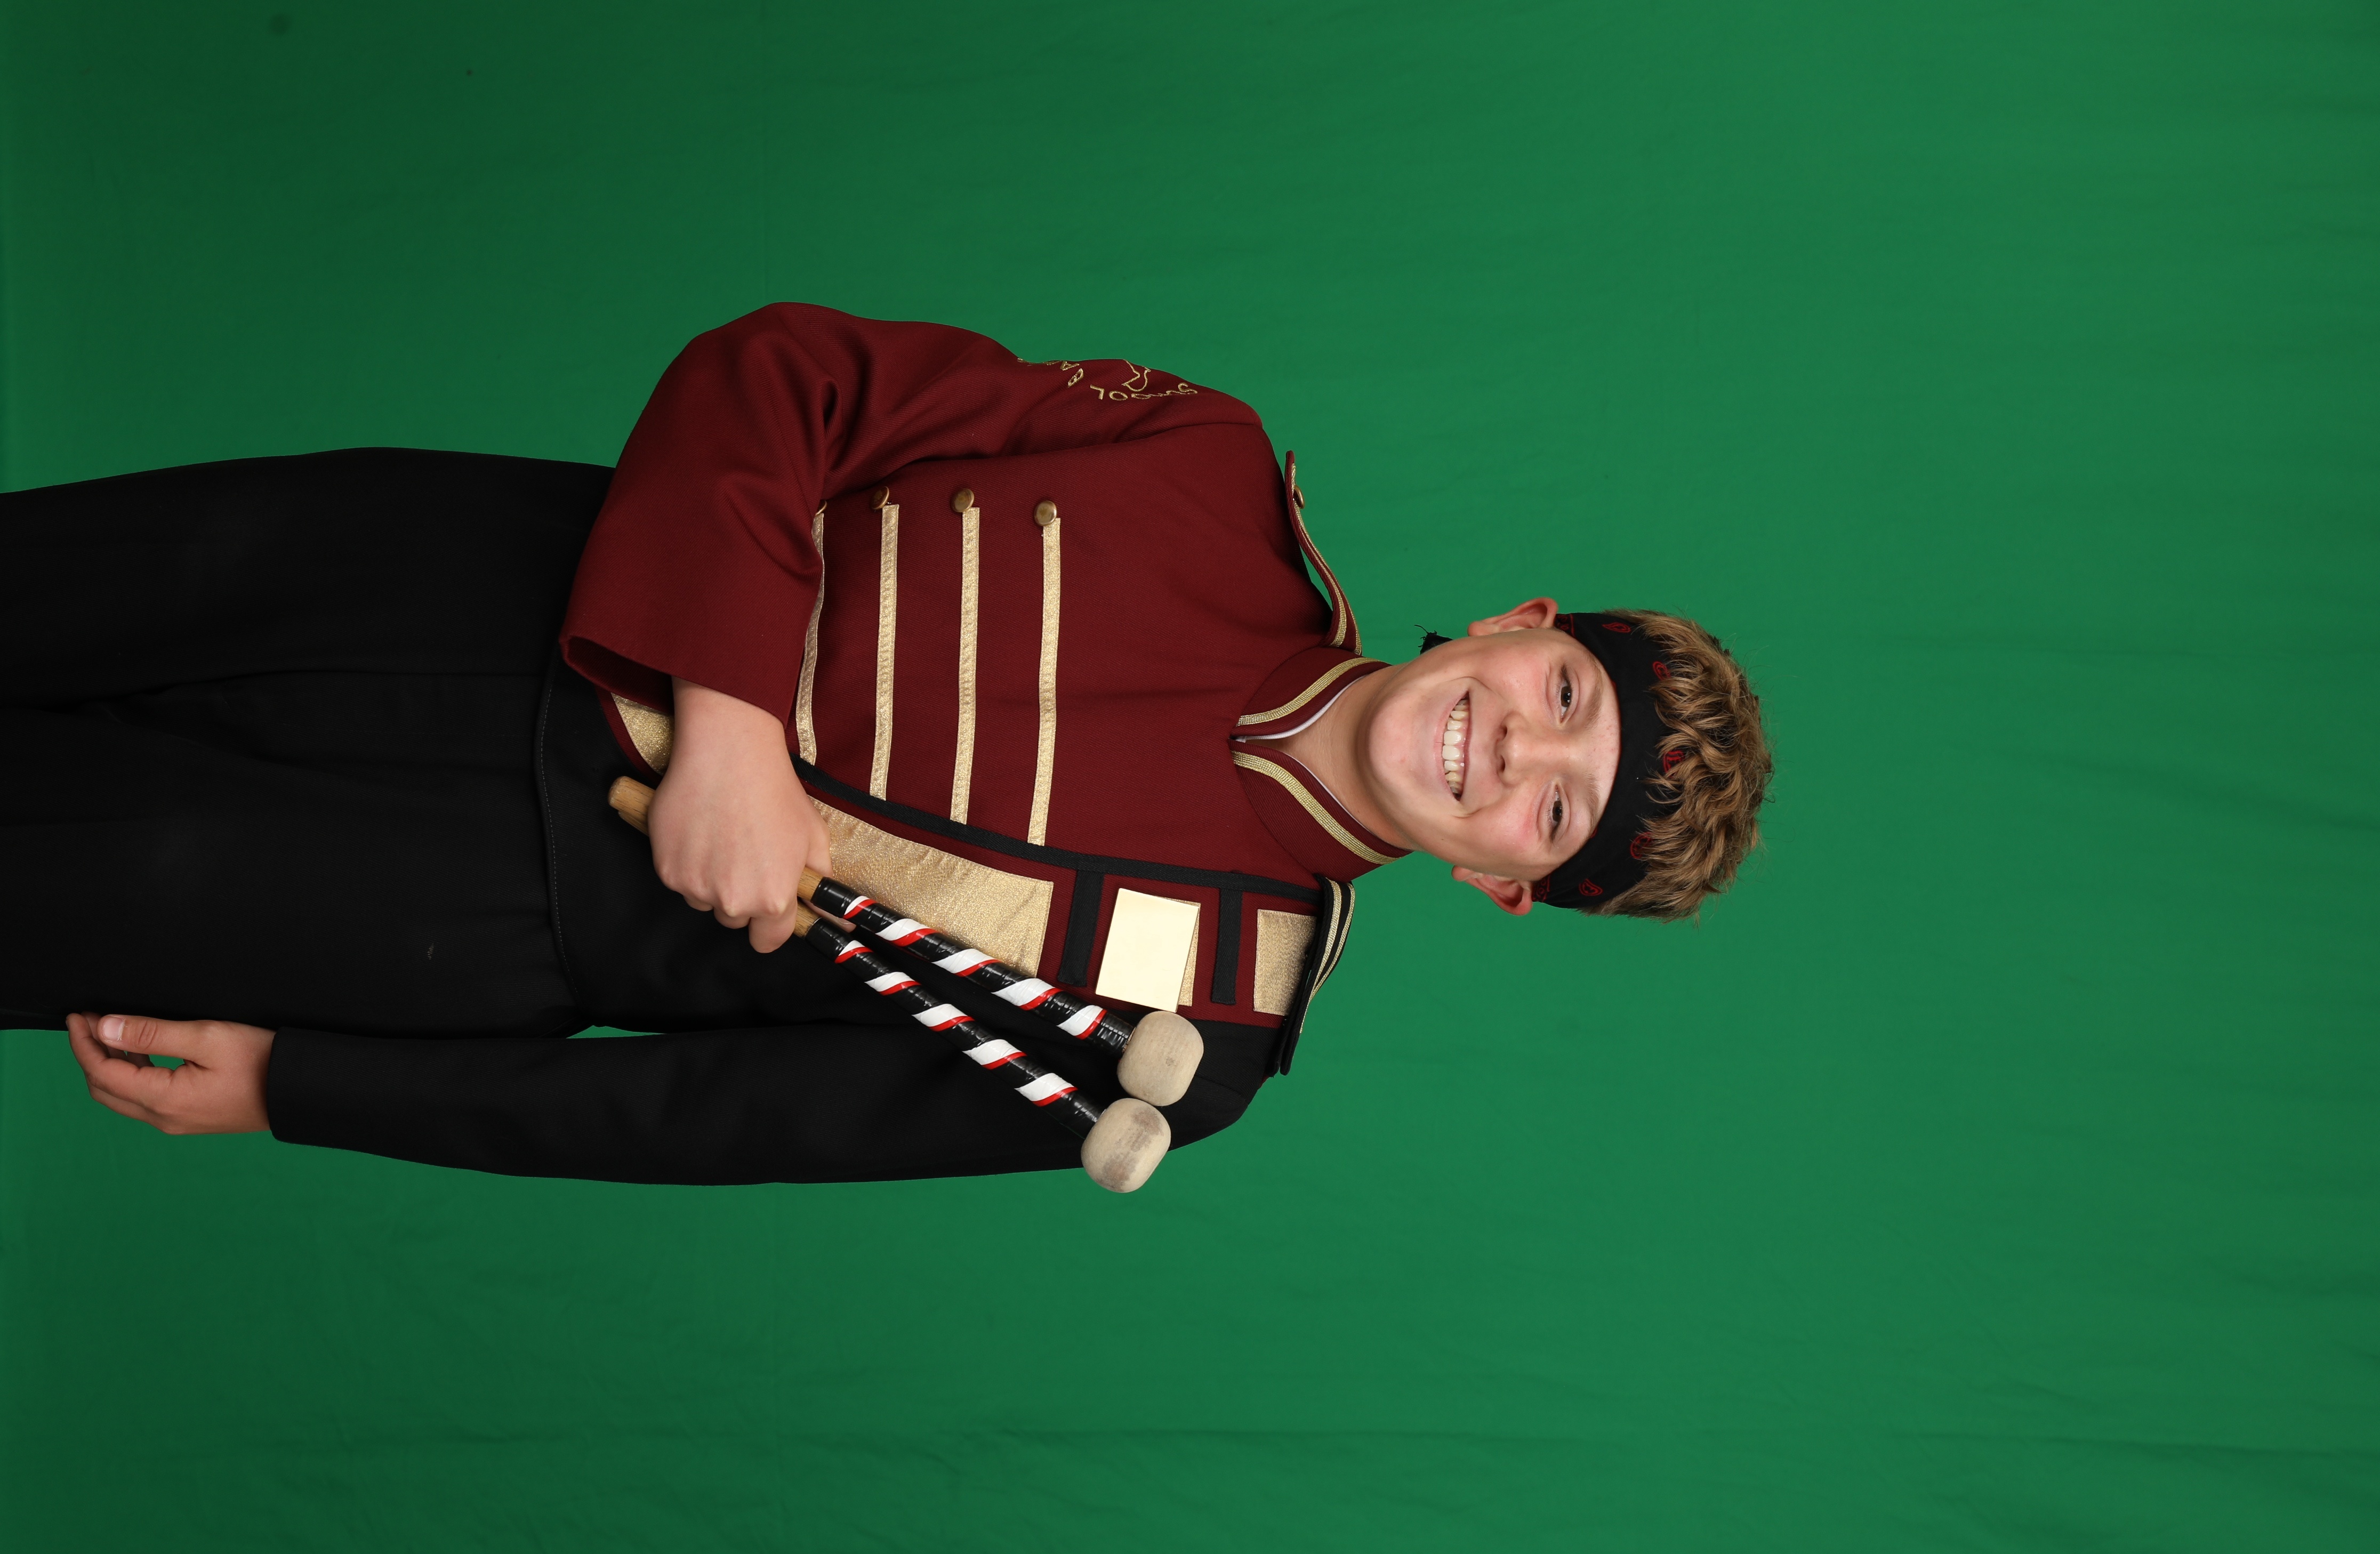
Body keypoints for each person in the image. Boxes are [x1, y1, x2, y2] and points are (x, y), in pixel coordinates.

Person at [3, 305, 1771, 1183]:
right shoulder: (1204, 463)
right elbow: (790, 376)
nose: (1514, 754)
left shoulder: (1201, 1038)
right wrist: (729, 729)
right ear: (1520, 623)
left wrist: (307, 1090)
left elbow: (724, 1117)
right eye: (1567, 698)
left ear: (1503, 887)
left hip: (449, 909)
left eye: (1554, 817)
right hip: (457, 567)